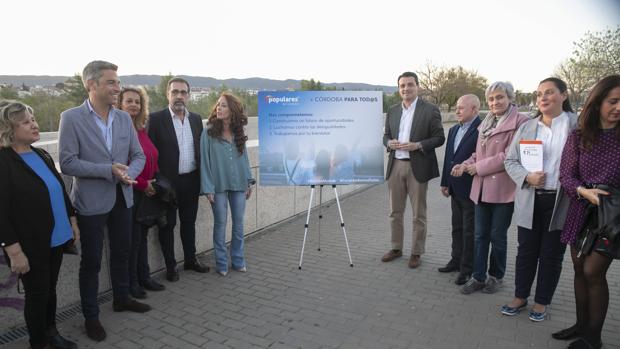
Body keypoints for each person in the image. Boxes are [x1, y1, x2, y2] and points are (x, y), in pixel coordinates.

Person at [58, 60, 150, 342]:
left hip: (123, 198)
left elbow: (138, 156)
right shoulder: (71, 117)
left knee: (122, 253)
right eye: (111, 82)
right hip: (90, 204)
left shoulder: (123, 118)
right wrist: (108, 171)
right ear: (92, 84)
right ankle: (91, 317)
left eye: (117, 82)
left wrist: (127, 176)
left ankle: (122, 298)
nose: (117, 88)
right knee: (93, 262)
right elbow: (68, 162)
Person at [0, 101, 79, 349]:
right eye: (26, 122)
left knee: (50, 290)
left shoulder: (41, 154)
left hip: (56, 236)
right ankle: (38, 343)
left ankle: (51, 333)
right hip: (29, 244)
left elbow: (60, 191)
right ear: (8, 129)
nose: (34, 125)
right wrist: (14, 251)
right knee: (37, 295)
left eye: (33, 119)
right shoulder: (3, 161)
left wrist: (72, 220)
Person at [551, 75, 620, 349]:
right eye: (613, 101)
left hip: (612, 217)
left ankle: (594, 337)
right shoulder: (579, 136)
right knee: (579, 269)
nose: (618, 107)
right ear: (598, 101)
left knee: (593, 272)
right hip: (581, 210)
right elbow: (566, 175)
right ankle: (580, 325)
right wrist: (583, 191)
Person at [502, 78, 576, 322]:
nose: (543, 98)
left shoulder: (578, 126)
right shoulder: (527, 127)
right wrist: (527, 177)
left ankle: (542, 301)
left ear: (564, 95)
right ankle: (520, 296)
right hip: (531, 199)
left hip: (562, 202)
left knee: (552, 255)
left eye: (549, 92)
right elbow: (510, 161)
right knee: (526, 252)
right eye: (539, 94)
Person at [453, 81, 529, 294]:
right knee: (479, 236)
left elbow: (508, 156)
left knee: (497, 236)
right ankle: (478, 277)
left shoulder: (521, 122)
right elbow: (480, 154)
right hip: (481, 189)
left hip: (503, 191)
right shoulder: (486, 123)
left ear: (510, 98)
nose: (495, 102)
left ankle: (496, 276)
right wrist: (466, 164)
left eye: (500, 97)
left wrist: (477, 167)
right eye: (492, 98)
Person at [382, 71, 445, 268]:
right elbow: (385, 135)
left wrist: (417, 145)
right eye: (402, 85)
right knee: (395, 212)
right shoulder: (393, 111)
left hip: (417, 165)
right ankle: (396, 247)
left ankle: (416, 252)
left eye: (410, 84)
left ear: (417, 86)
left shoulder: (430, 109)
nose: (406, 88)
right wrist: (389, 143)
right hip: (395, 165)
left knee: (419, 214)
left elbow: (439, 138)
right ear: (399, 89)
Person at [148, 77, 209, 282]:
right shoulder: (156, 119)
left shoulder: (196, 119)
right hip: (167, 185)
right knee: (167, 226)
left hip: (191, 181)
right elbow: (149, 154)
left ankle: (190, 260)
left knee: (189, 223)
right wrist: (156, 181)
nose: (179, 96)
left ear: (189, 96)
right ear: (168, 94)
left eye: (183, 92)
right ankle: (171, 266)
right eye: (175, 92)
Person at [199, 92, 255, 276]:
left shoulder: (239, 131)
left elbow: (244, 158)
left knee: (238, 224)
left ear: (232, 110)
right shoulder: (208, 132)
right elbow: (204, 162)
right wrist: (207, 188)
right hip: (217, 185)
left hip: (239, 183)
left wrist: (249, 180)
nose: (218, 108)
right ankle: (221, 263)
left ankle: (238, 260)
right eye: (218, 105)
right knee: (220, 224)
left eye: (223, 105)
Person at [118, 87, 166, 298]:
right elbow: (123, 165)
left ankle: (144, 277)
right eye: (128, 101)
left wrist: (153, 183)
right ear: (119, 104)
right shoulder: (118, 130)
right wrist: (143, 184)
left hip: (146, 190)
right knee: (132, 242)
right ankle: (132, 283)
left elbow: (150, 157)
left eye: (137, 102)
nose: (133, 105)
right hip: (132, 190)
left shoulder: (141, 129)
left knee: (142, 239)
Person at [438, 94, 481, 285]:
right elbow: (449, 157)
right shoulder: (454, 129)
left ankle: (466, 269)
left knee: (469, 231)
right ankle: (455, 261)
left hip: (471, 188)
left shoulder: (482, 129)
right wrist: (445, 182)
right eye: (457, 107)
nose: (457, 111)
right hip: (455, 187)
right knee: (457, 228)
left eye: (461, 108)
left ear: (474, 110)